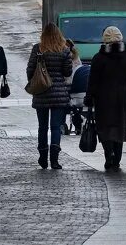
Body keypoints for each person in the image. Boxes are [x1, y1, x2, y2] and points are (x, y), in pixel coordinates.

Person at [85, 26, 126, 171]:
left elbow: (92, 82)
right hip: (122, 99)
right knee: (120, 128)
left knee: (105, 128)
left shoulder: (98, 58)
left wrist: (89, 98)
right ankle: (117, 159)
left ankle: (109, 154)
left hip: (103, 99)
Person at [26, 23, 73, 169]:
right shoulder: (64, 50)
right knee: (56, 127)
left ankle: (42, 157)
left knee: (42, 127)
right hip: (59, 93)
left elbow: (30, 69)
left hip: (41, 93)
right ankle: (54, 160)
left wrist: (37, 81)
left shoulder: (38, 48)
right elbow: (67, 72)